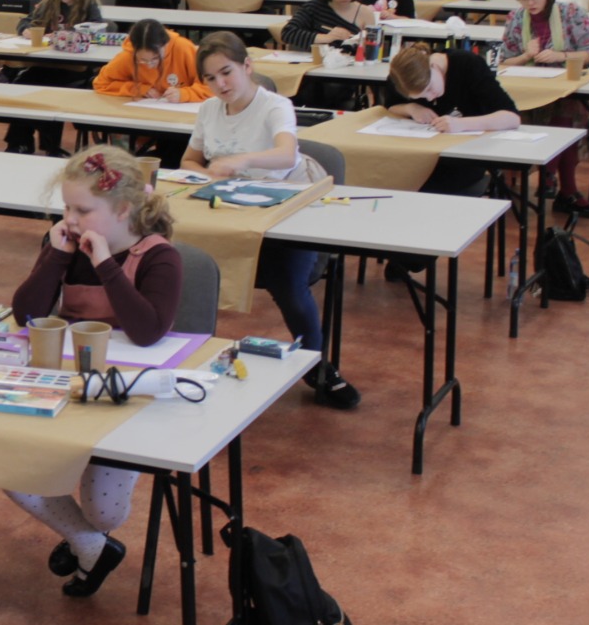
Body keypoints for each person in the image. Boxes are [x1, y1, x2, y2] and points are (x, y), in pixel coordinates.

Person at [7, 146, 183, 597]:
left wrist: (105, 264)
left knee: (105, 512)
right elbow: (26, 315)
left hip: (123, 395)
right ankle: (89, 544)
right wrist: (57, 256)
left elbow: (147, 332)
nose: (70, 219)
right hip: (63, 383)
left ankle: (92, 533)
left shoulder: (159, 257)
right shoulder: (65, 244)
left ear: (123, 210)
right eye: (66, 207)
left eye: (82, 210)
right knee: (4, 461)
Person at [180, 31, 357, 409]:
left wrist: (241, 161)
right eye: (210, 78)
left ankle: (317, 366)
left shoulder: (275, 105)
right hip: (232, 211)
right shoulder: (209, 110)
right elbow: (189, 160)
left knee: (288, 283)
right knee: (188, 266)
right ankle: (186, 360)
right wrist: (206, 174)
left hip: (287, 210)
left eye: (226, 72)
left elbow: (286, 154)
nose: (220, 84)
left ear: (247, 66)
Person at [500, 0, 589, 218]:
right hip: (528, 90)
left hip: (565, 87)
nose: (531, 3)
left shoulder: (571, 13)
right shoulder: (515, 19)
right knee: (507, 111)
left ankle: (552, 176)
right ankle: (563, 189)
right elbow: (504, 61)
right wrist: (526, 55)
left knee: (566, 108)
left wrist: (561, 56)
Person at [384, 42, 521, 195]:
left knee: (431, 186)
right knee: (395, 177)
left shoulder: (468, 64)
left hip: (462, 158)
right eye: (421, 97)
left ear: (434, 66)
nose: (429, 98)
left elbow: (512, 117)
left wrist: (461, 124)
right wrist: (411, 108)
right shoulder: (402, 75)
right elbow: (390, 104)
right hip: (419, 156)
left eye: (429, 88)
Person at [4, 0, 103, 156]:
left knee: (51, 91)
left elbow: (98, 30)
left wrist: (72, 35)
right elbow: (26, 20)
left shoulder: (89, 4)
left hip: (74, 68)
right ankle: (20, 142)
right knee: (23, 85)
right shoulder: (51, 1)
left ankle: (50, 145)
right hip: (47, 63)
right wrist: (25, 30)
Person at [93, 20, 210, 166]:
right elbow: (101, 82)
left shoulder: (183, 48)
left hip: (182, 123)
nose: (150, 65)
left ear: (165, 45)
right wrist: (138, 88)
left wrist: (185, 94)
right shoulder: (128, 55)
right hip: (149, 119)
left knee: (175, 153)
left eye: (156, 59)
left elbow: (210, 86)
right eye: (143, 60)